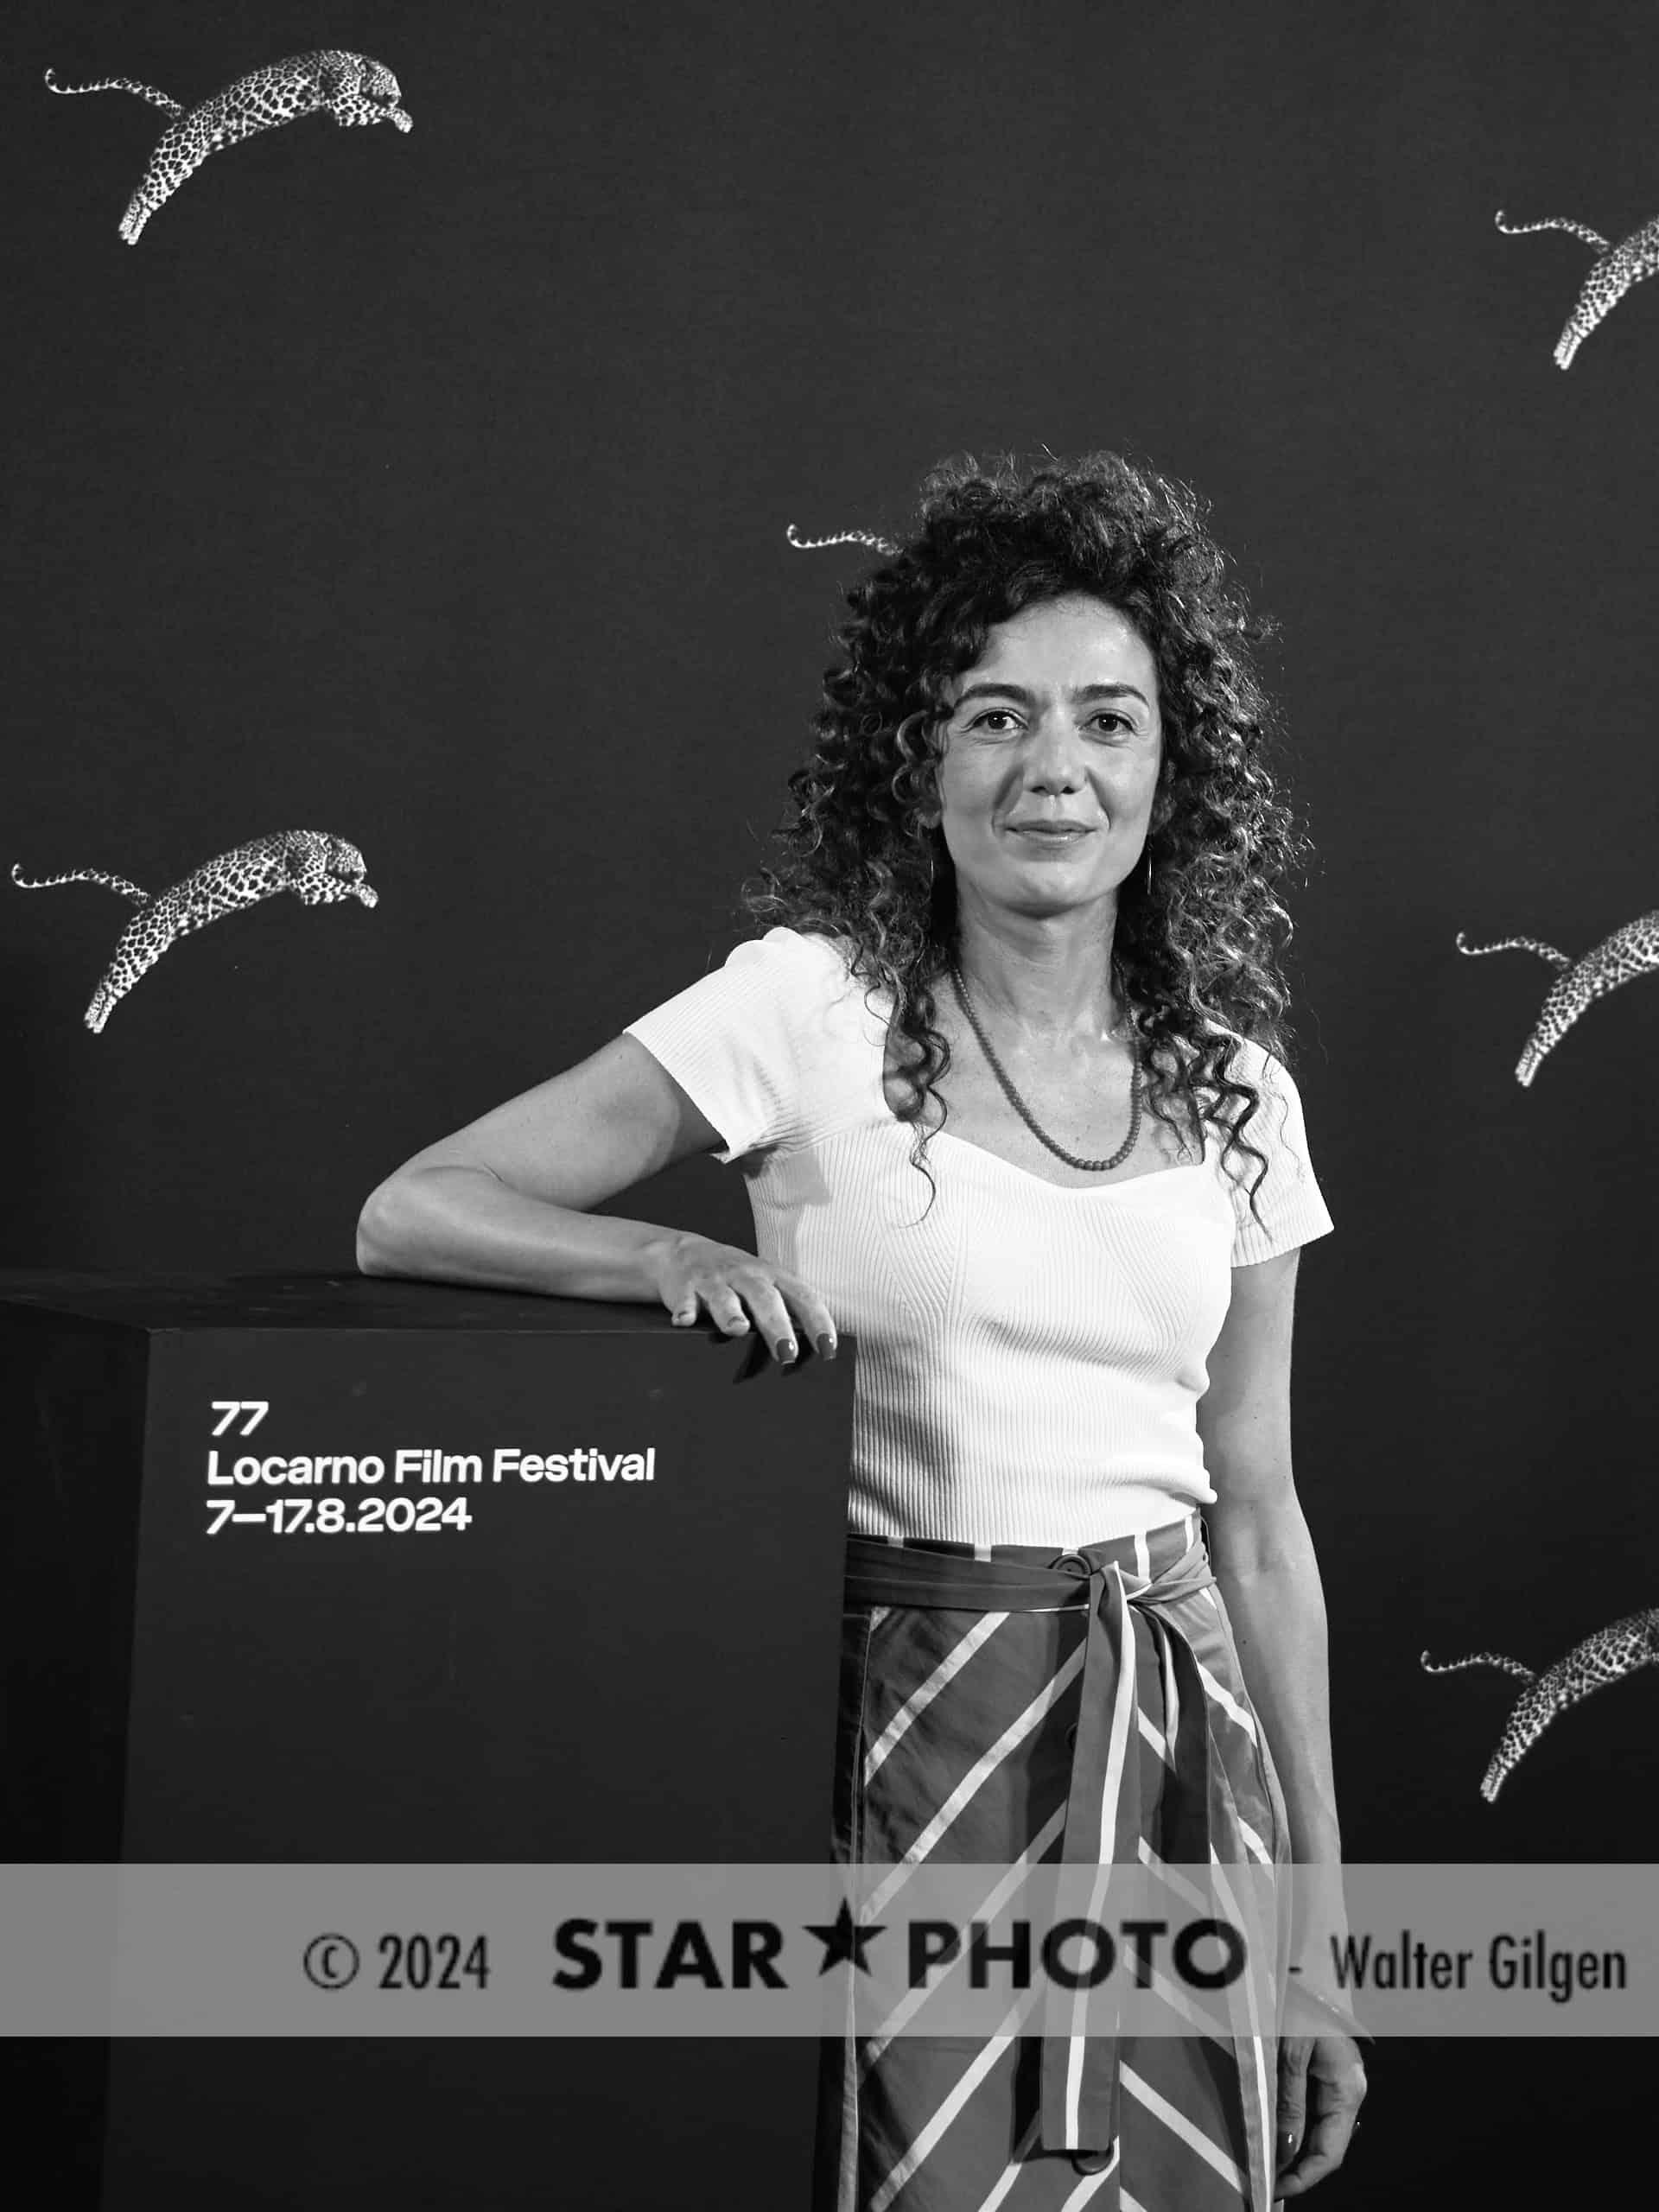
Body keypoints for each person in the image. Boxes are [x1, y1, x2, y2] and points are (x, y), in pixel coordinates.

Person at [356, 451, 1366, 2209]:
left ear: (1168, 765)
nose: (1055, 765)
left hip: (1183, 1746)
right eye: (997, 715)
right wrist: (659, 1268)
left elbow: (1261, 1521)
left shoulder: (1245, 1091)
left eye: (1110, 721)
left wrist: (1328, 1938)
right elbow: (414, 1205)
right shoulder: (800, 1007)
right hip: (901, 1728)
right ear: (922, 755)